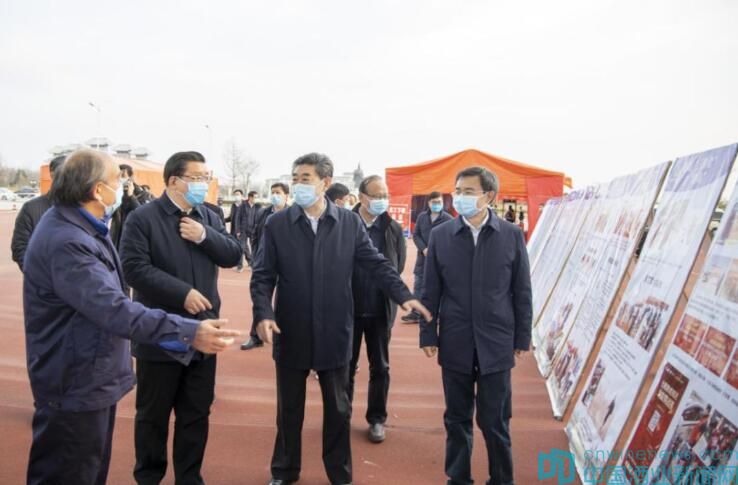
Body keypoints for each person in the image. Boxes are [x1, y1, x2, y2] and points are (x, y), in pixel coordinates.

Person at [22, 149, 239, 485]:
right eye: (117, 180)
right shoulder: (71, 239)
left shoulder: (86, 228)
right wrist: (187, 327)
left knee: (93, 466)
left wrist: (205, 236)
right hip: (80, 373)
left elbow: (232, 253)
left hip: (94, 368)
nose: (124, 186)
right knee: (75, 466)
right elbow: (116, 300)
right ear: (98, 190)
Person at [251, 152, 430, 485]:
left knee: (338, 408)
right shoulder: (278, 224)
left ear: (325, 182)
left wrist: (403, 295)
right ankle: (284, 470)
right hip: (291, 328)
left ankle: (339, 473)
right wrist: (263, 313)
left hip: (335, 330)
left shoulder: (348, 224)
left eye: (305, 178)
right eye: (295, 178)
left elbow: (377, 264)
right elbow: (262, 275)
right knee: (289, 409)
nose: (298, 184)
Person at [119, 151, 243, 485]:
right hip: (161, 331)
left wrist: (204, 236)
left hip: (205, 330)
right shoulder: (143, 218)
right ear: (174, 180)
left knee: (196, 413)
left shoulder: (209, 216)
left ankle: (189, 477)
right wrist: (182, 293)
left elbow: (233, 254)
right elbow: (134, 268)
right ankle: (149, 477)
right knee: (152, 416)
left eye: (206, 177)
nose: (204, 183)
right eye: (197, 178)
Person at [420, 167, 532, 485]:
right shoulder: (441, 236)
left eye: (468, 192)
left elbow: (522, 290)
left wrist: (522, 337)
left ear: (489, 196)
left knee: (495, 420)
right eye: (458, 191)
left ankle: (502, 479)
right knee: (457, 418)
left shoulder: (511, 235)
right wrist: (428, 334)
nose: (460, 197)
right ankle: (458, 478)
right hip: (455, 339)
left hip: (496, 341)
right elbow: (430, 290)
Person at [347, 175, 406, 444]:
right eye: (376, 195)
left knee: (380, 367)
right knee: (344, 366)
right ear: (362, 197)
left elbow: (398, 266)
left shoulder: (392, 228)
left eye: (385, 196)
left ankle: (377, 418)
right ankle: (341, 415)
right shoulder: (344, 224)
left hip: (380, 311)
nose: (382, 200)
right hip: (347, 309)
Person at [241, 182, 290, 351]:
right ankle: (256, 336)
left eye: (278, 192)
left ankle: (284, 337)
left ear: (286, 196)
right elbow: (255, 235)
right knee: (261, 299)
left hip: (287, 265)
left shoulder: (293, 214)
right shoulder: (263, 213)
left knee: (287, 301)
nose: (274, 195)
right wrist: (257, 256)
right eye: (273, 192)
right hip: (265, 263)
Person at [401, 191, 452, 323]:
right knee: (419, 286)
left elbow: (452, 239)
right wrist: (423, 248)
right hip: (422, 259)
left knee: (440, 286)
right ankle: (416, 313)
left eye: (439, 202)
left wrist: (437, 250)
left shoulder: (448, 219)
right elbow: (416, 235)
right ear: (428, 203)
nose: (437, 204)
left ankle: (438, 314)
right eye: (434, 202)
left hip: (440, 260)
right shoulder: (422, 217)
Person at [11, 155, 66, 271]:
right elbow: (20, 246)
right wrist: (37, 274)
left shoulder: (85, 209)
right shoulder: (30, 209)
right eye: (63, 174)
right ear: (52, 175)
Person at [110, 164, 154, 249]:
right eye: (118, 176)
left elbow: (143, 215)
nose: (120, 179)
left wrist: (131, 197)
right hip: (116, 238)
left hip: (133, 239)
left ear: (130, 177)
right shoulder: (116, 194)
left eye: (123, 175)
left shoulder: (143, 195)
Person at [235, 190, 261, 272]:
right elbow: (237, 218)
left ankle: (253, 266)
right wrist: (237, 230)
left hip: (253, 230)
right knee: (241, 248)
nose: (256, 199)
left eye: (257, 197)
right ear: (250, 197)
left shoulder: (258, 206)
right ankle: (240, 266)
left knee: (254, 248)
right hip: (243, 230)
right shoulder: (242, 205)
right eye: (255, 197)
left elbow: (259, 219)